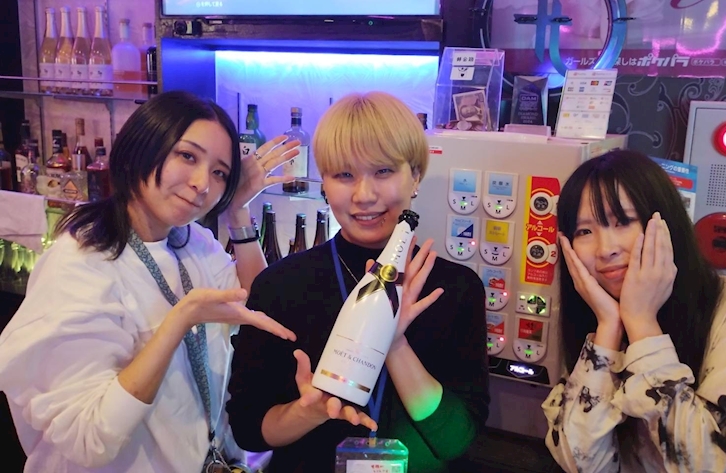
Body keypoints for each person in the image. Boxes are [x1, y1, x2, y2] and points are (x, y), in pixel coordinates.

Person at [0, 90, 303, 472]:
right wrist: (181, 319)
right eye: (188, 156)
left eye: (220, 173)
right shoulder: (78, 265)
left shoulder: (191, 240)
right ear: (141, 148)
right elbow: (90, 440)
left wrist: (238, 211)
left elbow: (256, 305)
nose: (202, 183)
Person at [226, 92, 490, 472]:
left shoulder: (455, 289)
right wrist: (308, 411)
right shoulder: (280, 286)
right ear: (324, 183)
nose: (364, 196)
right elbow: (248, 429)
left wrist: (393, 342)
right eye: (344, 175)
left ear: (415, 176)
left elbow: (455, 440)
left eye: (383, 171)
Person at [542, 149, 726, 472]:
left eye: (623, 221)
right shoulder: (600, 321)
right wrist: (609, 327)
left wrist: (641, 322)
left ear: (666, 225)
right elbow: (582, 464)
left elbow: (701, 463)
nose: (606, 249)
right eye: (584, 232)